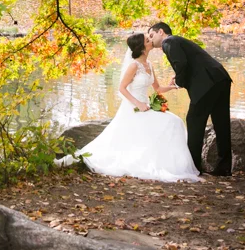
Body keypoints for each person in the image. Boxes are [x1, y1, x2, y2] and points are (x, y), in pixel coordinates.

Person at [57, 32, 200, 182]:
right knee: (172, 123)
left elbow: (157, 88)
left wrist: (173, 87)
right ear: (142, 47)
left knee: (175, 121)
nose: (150, 40)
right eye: (147, 40)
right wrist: (138, 103)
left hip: (146, 107)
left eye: (149, 38)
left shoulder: (149, 65)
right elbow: (122, 88)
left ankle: (174, 166)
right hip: (134, 108)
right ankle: (165, 165)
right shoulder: (134, 66)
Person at [148, 22, 232, 176]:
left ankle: (193, 168)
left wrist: (179, 81)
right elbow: (188, 63)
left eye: (151, 35)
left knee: (194, 120)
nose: (150, 40)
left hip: (207, 84)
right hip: (220, 77)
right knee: (221, 123)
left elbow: (181, 63)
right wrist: (179, 76)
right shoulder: (177, 41)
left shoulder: (169, 41)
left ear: (161, 32)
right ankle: (224, 167)